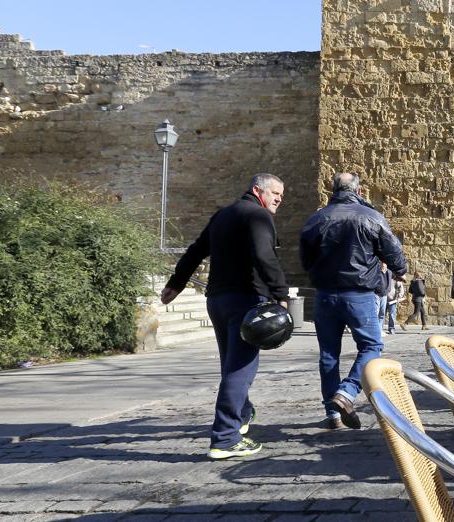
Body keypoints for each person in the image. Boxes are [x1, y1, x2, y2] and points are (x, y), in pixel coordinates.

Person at [161, 173, 288, 460]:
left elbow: (196, 251)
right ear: (258, 191)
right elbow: (264, 256)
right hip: (245, 300)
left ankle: (242, 413)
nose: (280, 199)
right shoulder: (257, 215)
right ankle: (226, 438)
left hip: (218, 300)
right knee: (241, 370)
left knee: (231, 365)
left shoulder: (223, 215)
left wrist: (176, 283)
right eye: (275, 193)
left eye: (282, 194)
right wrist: (281, 294)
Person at [300, 172, 408, 430]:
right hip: (359, 295)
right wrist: (400, 271)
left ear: (332, 190)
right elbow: (394, 254)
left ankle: (333, 415)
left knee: (328, 355)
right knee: (371, 347)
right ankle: (347, 392)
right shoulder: (371, 217)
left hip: (325, 295)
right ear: (359, 192)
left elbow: (305, 261)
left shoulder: (316, 219)